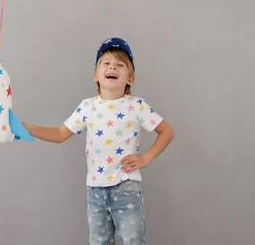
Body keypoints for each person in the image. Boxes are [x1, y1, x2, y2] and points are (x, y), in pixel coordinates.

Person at [22, 37, 175, 244]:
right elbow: (59, 134)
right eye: (107, 63)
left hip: (126, 187)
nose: (113, 67)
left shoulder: (136, 106)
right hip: (95, 191)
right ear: (96, 74)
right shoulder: (87, 107)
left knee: (134, 240)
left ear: (130, 78)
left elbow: (166, 131)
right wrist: (27, 128)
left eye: (120, 65)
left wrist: (146, 157)